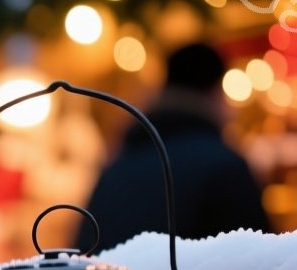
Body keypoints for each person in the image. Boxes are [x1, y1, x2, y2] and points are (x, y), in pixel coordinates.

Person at [78, 42, 271, 251]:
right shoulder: (224, 167)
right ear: (216, 92)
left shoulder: (116, 169)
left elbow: (82, 253)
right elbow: (261, 269)